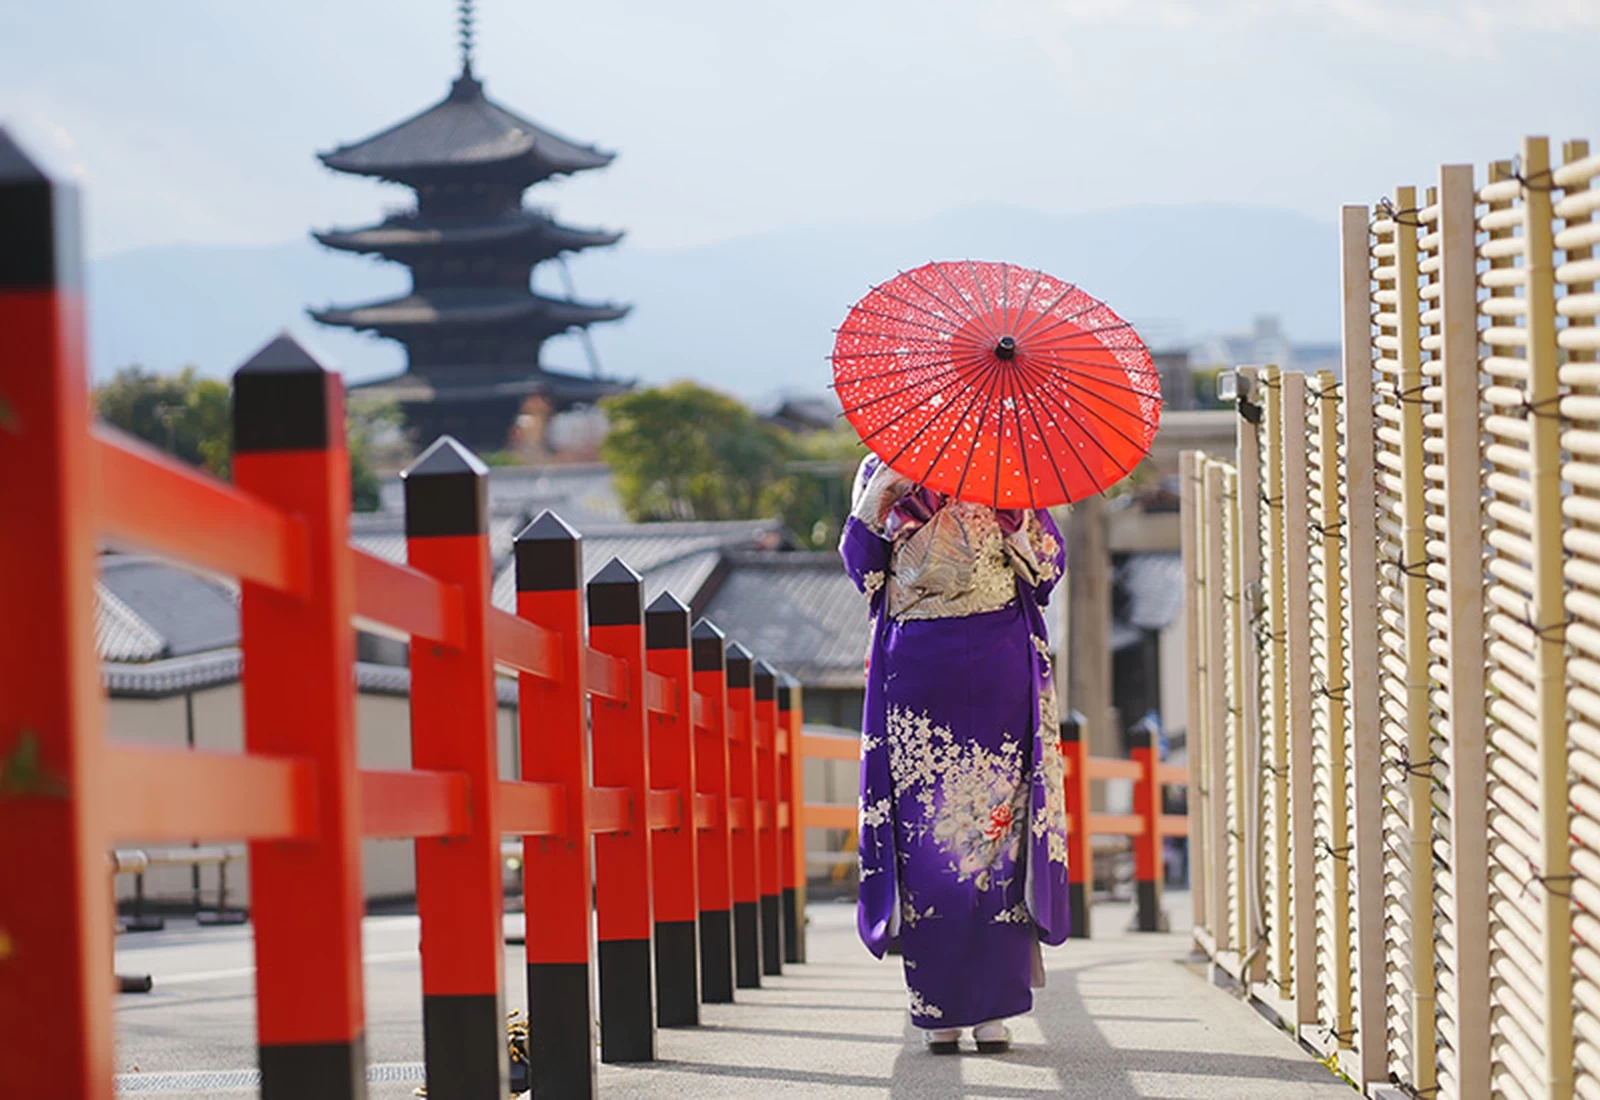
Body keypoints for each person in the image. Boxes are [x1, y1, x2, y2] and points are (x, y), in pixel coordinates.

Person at [839, 454, 1071, 1055]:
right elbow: (865, 574)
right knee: (927, 842)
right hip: (920, 668)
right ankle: (939, 1006)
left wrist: (1015, 518)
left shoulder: (1009, 469)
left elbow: (1047, 572)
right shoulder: (881, 467)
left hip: (997, 664)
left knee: (999, 832)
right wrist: (878, 501)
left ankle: (993, 1007)